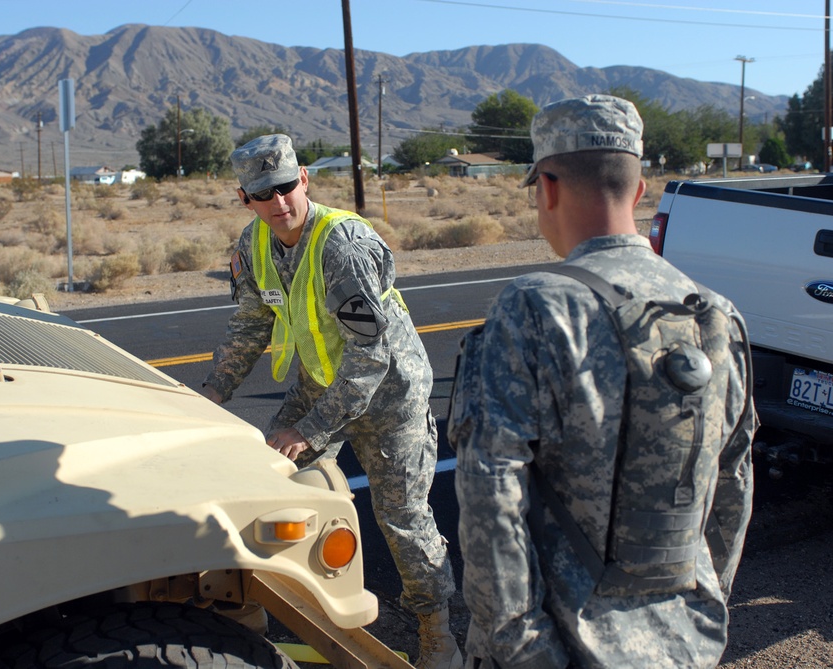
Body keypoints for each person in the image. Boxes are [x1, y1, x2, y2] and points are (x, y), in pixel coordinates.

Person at [447, 95, 757, 669]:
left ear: (547, 188)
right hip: (684, 642)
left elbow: (491, 496)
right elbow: (730, 486)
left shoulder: (535, 306)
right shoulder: (716, 315)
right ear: (639, 192)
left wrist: (523, 649)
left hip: (560, 648)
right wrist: (695, 616)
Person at [202, 134, 461, 669]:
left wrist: (309, 430)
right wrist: (211, 395)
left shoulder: (342, 245)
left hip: (390, 396)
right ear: (243, 198)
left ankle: (438, 635)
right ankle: (271, 615)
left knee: (403, 519)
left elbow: (372, 358)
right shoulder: (252, 248)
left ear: (304, 180)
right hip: (323, 384)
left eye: (285, 187)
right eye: (262, 194)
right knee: (267, 489)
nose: (278, 204)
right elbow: (250, 325)